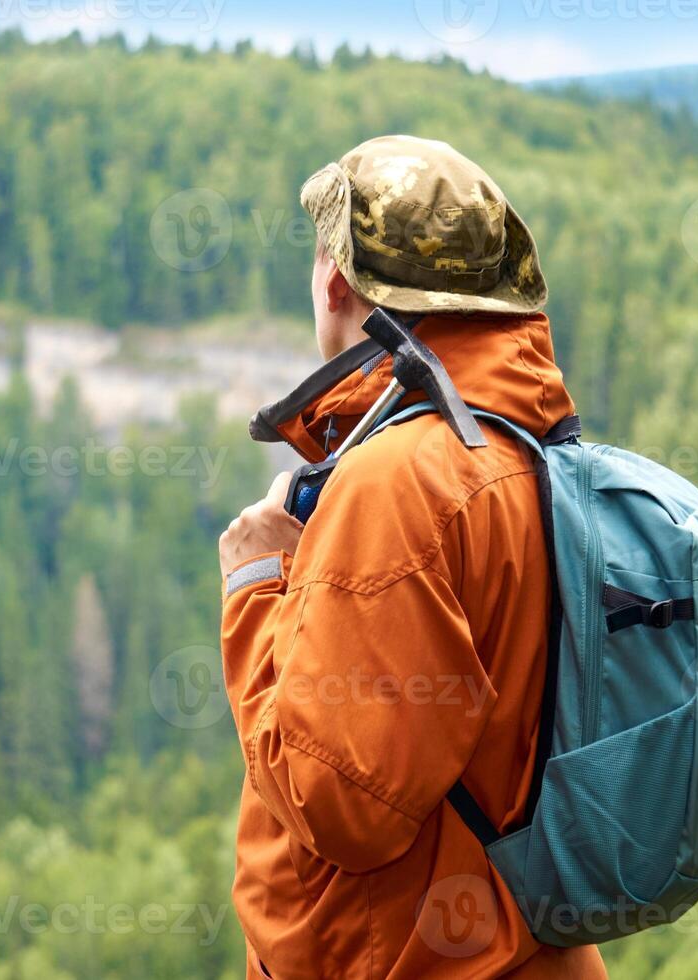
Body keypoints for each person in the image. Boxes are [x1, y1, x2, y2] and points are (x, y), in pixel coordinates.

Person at [217, 135, 609, 978]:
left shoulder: (399, 483)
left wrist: (254, 586)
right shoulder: (526, 451)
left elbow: (345, 808)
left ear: (332, 279)